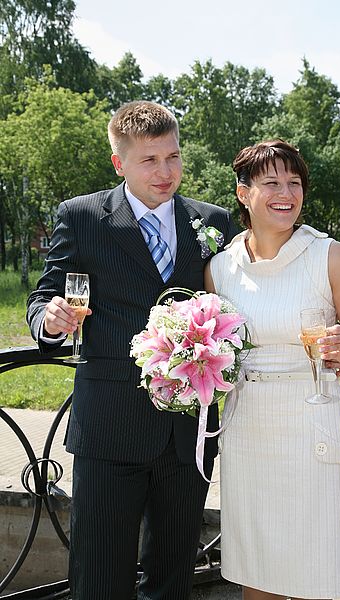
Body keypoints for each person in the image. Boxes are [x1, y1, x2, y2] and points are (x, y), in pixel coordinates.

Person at [26, 100, 239, 600]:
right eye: (149, 160)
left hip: (188, 430)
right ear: (119, 163)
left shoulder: (214, 222)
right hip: (109, 427)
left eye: (174, 157)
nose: (166, 173)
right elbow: (43, 297)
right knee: (99, 579)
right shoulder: (82, 217)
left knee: (172, 577)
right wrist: (50, 320)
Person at [204, 139, 340, 600]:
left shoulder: (330, 256)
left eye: (294, 182)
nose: (287, 192)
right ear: (244, 193)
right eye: (272, 182)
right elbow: (216, 351)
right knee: (257, 568)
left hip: (309, 424)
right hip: (247, 428)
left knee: (313, 565)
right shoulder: (220, 269)